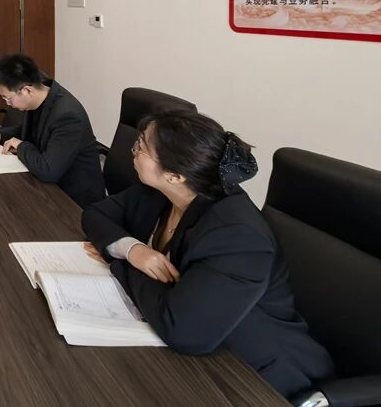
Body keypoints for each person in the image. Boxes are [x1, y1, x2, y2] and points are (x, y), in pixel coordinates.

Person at [81, 110, 333, 399]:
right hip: (197, 350)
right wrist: (133, 249)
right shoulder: (162, 192)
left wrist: (119, 261)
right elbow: (95, 214)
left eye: (142, 147)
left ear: (175, 175)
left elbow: (184, 332)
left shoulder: (238, 236)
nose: (133, 150)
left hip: (258, 376)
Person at [0, 54, 105, 207]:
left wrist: (21, 145)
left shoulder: (68, 116)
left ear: (26, 90)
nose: (7, 104)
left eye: (8, 98)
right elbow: (29, 131)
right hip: (49, 185)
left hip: (74, 200)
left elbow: (48, 171)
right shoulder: (42, 95)